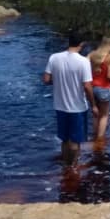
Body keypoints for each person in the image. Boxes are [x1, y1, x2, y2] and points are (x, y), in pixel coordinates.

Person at [43, 30, 95, 163]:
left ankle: (65, 164)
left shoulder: (54, 57)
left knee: (64, 139)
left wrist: (59, 80)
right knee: (75, 142)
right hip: (77, 107)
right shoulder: (83, 62)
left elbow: (46, 79)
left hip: (60, 105)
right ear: (81, 44)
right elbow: (87, 86)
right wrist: (94, 105)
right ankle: (74, 166)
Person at [89, 36, 110, 140]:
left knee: (95, 114)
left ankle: (94, 134)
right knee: (104, 115)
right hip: (105, 88)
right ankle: (100, 139)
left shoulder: (93, 54)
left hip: (93, 87)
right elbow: (109, 76)